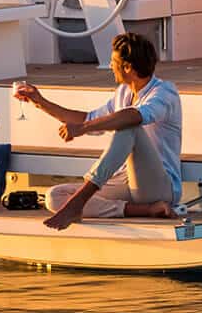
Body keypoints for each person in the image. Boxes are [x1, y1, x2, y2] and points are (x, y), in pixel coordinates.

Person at [15, 32, 181, 230]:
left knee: (129, 127)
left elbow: (134, 116)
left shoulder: (165, 92)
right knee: (54, 197)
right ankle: (145, 210)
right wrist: (39, 102)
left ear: (127, 67)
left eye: (113, 62)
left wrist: (82, 129)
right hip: (125, 182)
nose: (110, 66)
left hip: (159, 187)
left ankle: (80, 201)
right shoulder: (124, 92)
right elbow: (89, 118)